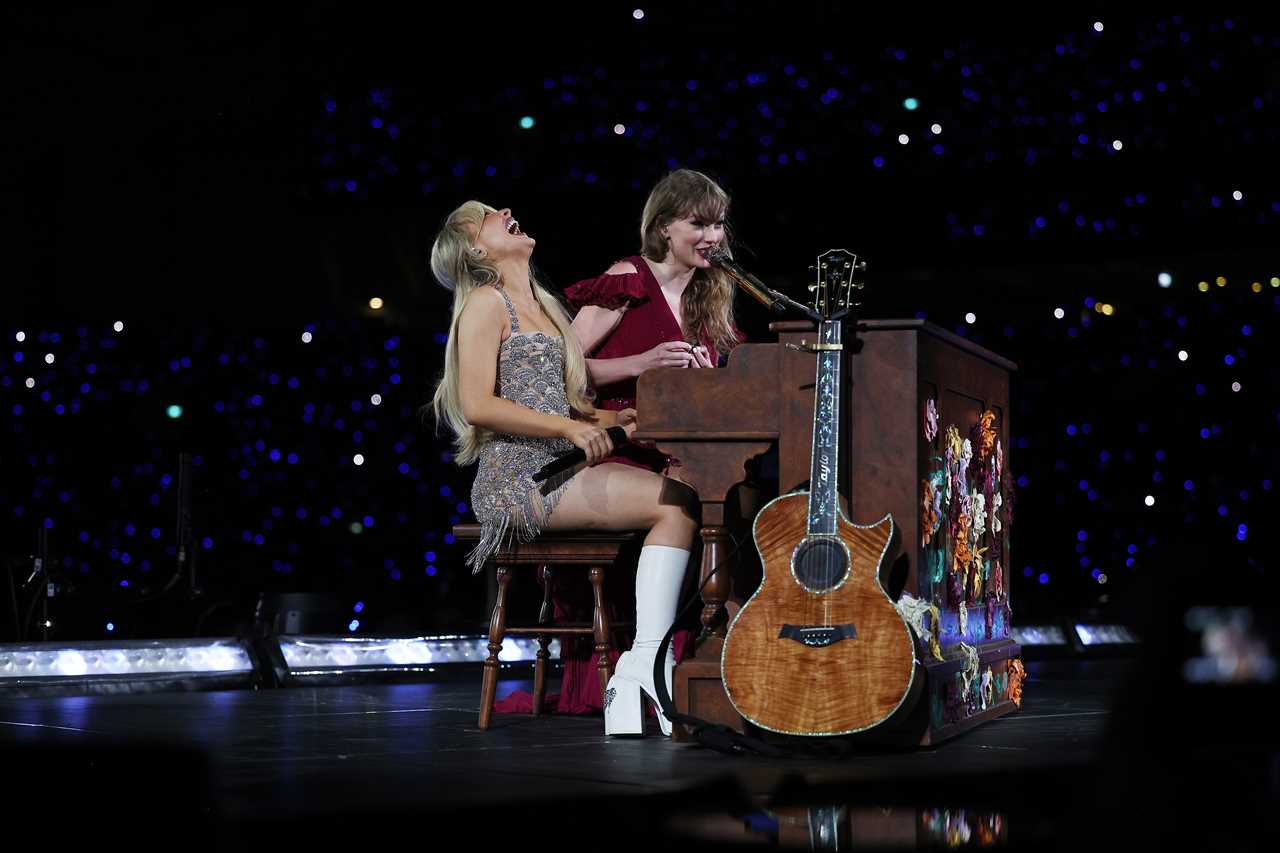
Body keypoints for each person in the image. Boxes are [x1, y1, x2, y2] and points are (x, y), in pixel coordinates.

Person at [429, 200, 699, 736]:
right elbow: (478, 404)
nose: (506, 210)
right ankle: (647, 662)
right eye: (486, 214)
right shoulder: (486, 303)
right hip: (519, 480)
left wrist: (612, 418)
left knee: (685, 492)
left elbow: (564, 404)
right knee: (676, 503)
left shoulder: (546, 305)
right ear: (475, 247)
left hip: (563, 467)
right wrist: (570, 429)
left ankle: (645, 662)